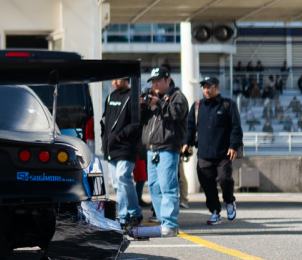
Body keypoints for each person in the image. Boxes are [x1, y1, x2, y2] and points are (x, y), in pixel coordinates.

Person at [185, 76, 243, 225]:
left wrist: (234, 145)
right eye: (204, 87)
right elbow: (190, 127)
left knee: (225, 179)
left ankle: (229, 201)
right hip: (204, 154)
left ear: (217, 88)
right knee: (207, 184)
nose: (206, 90)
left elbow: (236, 127)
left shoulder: (227, 105)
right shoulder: (197, 106)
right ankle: (215, 211)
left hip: (223, 153)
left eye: (210, 87)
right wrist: (186, 143)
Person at [139, 66, 188, 237]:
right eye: (152, 81)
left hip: (168, 148)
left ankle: (170, 224)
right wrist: (143, 106)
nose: (155, 84)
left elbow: (175, 114)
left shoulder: (178, 97)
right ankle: (163, 221)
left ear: (168, 80)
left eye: (158, 80)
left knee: (168, 186)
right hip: (151, 148)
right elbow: (141, 121)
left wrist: (158, 103)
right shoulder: (153, 99)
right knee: (153, 187)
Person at [100, 75, 142, 229]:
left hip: (126, 146)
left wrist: (119, 136)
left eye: (118, 79)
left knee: (123, 177)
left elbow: (136, 124)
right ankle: (129, 214)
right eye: (113, 79)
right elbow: (104, 120)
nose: (115, 82)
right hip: (111, 147)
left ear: (127, 80)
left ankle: (130, 214)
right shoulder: (111, 96)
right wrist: (104, 138)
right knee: (117, 184)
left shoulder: (132, 97)